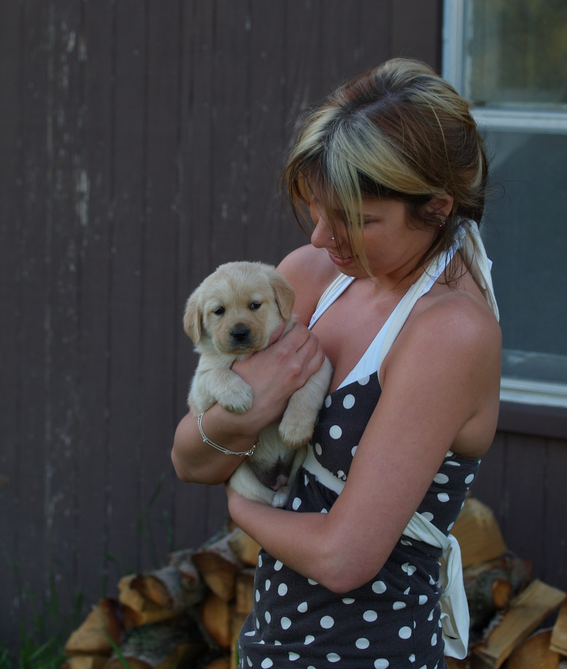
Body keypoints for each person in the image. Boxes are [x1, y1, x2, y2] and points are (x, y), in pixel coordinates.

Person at [171, 58, 502, 669]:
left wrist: (242, 507)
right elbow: (191, 460)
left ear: (436, 207)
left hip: (368, 653)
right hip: (271, 640)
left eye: (354, 219)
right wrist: (248, 408)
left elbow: (344, 557)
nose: (321, 238)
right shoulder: (310, 279)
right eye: (317, 210)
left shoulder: (448, 332)